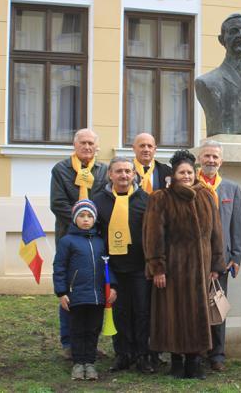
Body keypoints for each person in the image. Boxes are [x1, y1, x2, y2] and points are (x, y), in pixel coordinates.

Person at [143, 150, 225, 379]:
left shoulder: (206, 196)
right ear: (174, 174)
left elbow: (216, 234)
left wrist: (215, 266)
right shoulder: (161, 198)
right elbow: (153, 236)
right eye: (182, 172)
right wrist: (157, 267)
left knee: (199, 315)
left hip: (201, 270)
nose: (186, 176)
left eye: (189, 171)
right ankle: (177, 361)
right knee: (174, 315)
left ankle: (195, 361)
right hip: (174, 270)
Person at [50, 128, 108, 359]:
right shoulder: (61, 170)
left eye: (91, 143)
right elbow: (58, 203)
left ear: (97, 147)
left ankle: (90, 343)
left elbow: (104, 200)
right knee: (70, 291)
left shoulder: (103, 170)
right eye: (82, 143)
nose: (87, 147)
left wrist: (94, 226)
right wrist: (82, 222)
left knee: (95, 292)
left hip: (96, 242)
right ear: (75, 145)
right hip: (70, 238)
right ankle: (69, 343)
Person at [93, 158, 151, 373]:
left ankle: (143, 354)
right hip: (113, 269)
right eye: (119, 171)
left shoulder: (146, 200)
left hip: (140, 267)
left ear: (134, 174)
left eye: (128, 171)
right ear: (110, 174)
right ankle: (123, 354)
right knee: (119, 312)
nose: (124, 175)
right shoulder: (99, 201)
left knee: (142, 312)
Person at [53, 200, 117, 381]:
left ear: (95, 219)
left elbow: (107, 265)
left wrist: (112, 286)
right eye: (82, 216)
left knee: (92, 329)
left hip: (97, 296)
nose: (86, 219)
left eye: (89, 216)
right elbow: (60, 268)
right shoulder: (67, 241)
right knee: (77, 330)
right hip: (76, 296)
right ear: (75, 219)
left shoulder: (100, 242)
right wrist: (62, 292)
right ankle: (77, 363)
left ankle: (89, 363)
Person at [197, 140, 241, 372]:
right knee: (195, 307)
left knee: (217, 306)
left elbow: (236, 225)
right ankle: (198, 350)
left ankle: (217, 355)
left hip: (222, 260)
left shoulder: (231, 188)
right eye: (207, 156)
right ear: (199, 158)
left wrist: (236, 256)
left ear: (221, 161)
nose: (211, 160)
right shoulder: (191, 185)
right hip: (194, 259)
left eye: (215, 157)